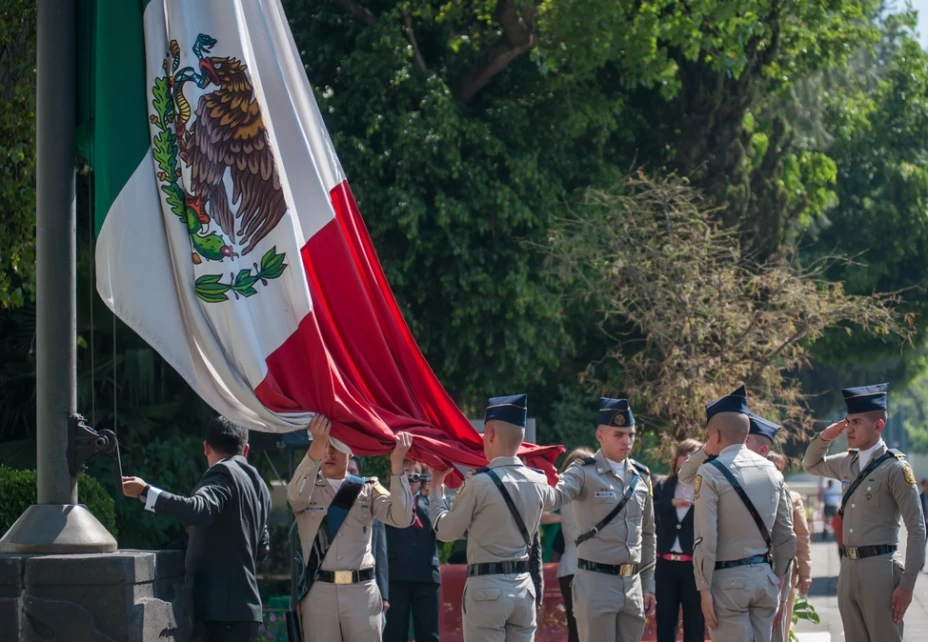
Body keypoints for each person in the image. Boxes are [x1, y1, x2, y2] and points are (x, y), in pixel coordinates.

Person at [122, 416, 271, 642]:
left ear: (206, 447)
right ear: (246, 449)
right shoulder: (259, 485)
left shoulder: (222, 473)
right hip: (246, 612)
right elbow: (262, 547)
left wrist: (145, 492)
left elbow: (199, 509)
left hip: (219, 614)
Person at [802, 383, 926, 642]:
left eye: (856, 422)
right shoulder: (848, 462)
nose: (849, 428)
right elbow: (811, 464)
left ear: (878, 425)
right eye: (847, 421)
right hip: (848, 567)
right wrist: (826, 436)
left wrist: (907, 584)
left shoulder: (895, 468)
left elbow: (917, 528)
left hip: (880, 568)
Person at [430, 393, 549, 642]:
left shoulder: (479, 483)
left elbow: (446, 531)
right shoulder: (539, 481)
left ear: (491, 434)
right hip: (523, 588)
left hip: (487, 590)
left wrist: (436, 493)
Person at [288, 415, 414, 642]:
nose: (329, 452)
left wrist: (397, 465)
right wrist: (317, 444)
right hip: (319, 593)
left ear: (351, 450)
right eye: (325, 445)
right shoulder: (307, 488)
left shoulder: (368, 488)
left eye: (336, 445)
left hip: (361, 592)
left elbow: (402, 518)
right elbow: (295, 498)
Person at [544, 397, 657, 642]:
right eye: (618, 434)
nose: (626, 441)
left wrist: (648, 585)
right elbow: (556, 495)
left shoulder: (642, 476)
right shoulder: (582, 472)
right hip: (596, 583)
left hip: (633, 584)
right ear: (600, 435)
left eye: (631, 434)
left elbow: (648, 534)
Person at [690, 386, 797, 642]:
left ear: (715, 434)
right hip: (764, 578)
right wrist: (779, 577)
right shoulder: (773, 471)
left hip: (727, 581)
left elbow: (707, 538)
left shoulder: (710, 473)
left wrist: (703, 589)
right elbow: (786, 535)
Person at [653, 439, 705, 642]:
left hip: (693, 565)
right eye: (684, 454)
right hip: (665, 563)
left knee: (695, 623)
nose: (688, 459)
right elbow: (648, 510)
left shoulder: (706, 487)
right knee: (665, 621)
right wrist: (671, 503)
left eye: (694, 455)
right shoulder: (665, 485)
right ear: (676, 460)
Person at [383, 459, 441, 642]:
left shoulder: (432, 502)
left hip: (426, 576)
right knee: (394, 632)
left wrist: (440, 495)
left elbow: (445, 529)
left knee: (428, 633)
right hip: (396, 575)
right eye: (405, 472)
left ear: (422, 477)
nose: (410, 478)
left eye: (414, 474)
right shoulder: (387, 502)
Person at [767, 451, 812, 642]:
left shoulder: (792, 497)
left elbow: (801, 536)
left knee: (780, 625)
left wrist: (805, 572)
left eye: (778, 467)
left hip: (785, 569)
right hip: (758, 564)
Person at [552, 447, 594, 642]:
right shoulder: (587, 493)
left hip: (569, 567)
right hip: (589, 567)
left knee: (575, 627)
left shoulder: (563, 491)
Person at [347, 455, 390, 627]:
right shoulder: (328, 504)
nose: (349, 476)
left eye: (353, 472)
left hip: (366, 587)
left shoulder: (372, 506)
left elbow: (381, 554)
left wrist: (384, 596)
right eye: (346, 472)